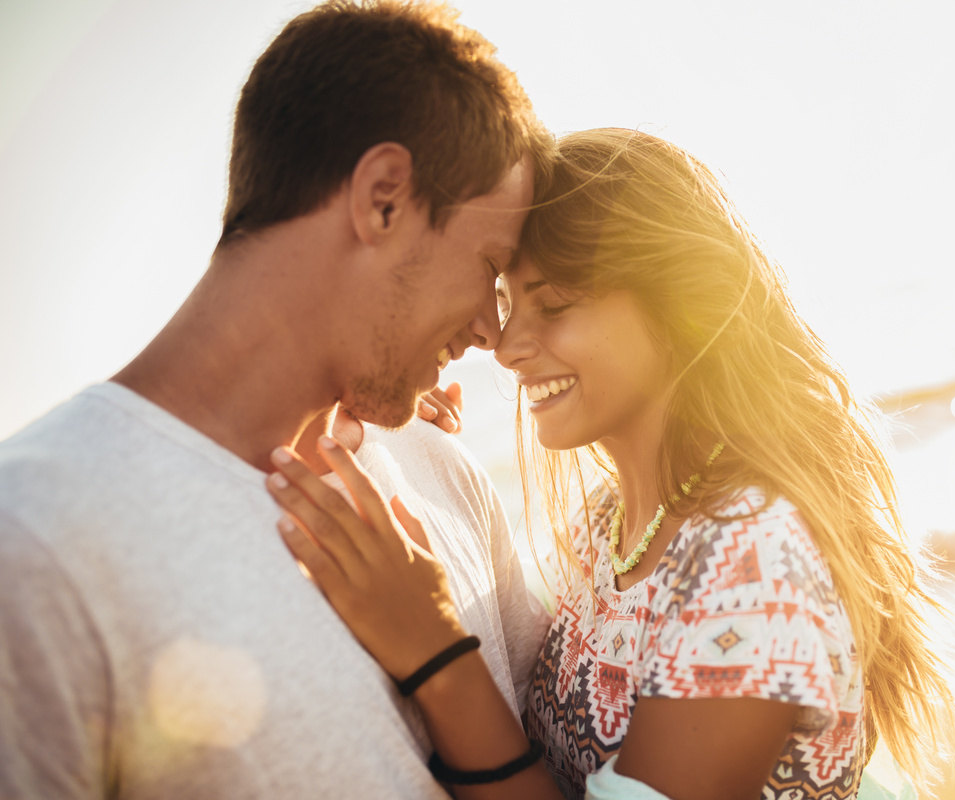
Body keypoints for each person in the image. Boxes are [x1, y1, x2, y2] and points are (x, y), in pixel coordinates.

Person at [266, 128, 955, 800]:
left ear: (685, 307)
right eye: (511, 302)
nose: (508, 346)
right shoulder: (609, 525)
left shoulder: (755, 565)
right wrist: (413, 447)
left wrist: (435, 653)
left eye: (556, 304)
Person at [0, 1, 553, 797]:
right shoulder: (40, 542)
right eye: (488, 267)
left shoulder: (446, 475)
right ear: (384, 197)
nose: (489, 331)